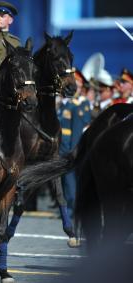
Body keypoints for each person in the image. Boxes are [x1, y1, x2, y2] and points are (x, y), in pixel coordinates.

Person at [58, 77, 91, 218]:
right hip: (61, 149)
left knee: (70, 181)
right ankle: (66, 209)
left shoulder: (75, 106)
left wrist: (73, 151)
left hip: (69, 150)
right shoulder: (63, 105)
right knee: (65, 181)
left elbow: (77, 131)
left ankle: (73, 209)